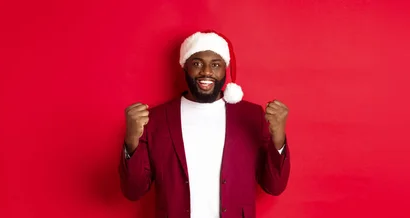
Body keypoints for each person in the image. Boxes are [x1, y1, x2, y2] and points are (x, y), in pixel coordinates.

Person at [119, 30, 291, 218]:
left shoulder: (252, 116)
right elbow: (133, 190)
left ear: (225, 69)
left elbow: (274, 186)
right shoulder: (156, 119)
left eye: (215, 65)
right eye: (197, 63)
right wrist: (131, 139)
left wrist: (278, 138)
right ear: (185, 67)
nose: (206, 71)